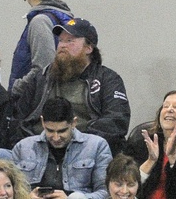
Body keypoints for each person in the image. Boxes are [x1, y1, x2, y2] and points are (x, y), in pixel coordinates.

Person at [12, 17, 130, 153]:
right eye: (61, 40)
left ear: (89, 48)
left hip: (87, 151)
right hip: (41, 150)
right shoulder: (41, 79)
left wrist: (77, 143)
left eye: (70, 41)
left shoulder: (108, 79)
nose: (62, 45)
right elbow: (19, 120)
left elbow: (116, 121)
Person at [11, 97, 111, 199]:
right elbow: (8, 192)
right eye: (50, 131)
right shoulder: (23, 147)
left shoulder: (97, 146)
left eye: (62, 131)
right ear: (42, 122)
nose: (56, 137)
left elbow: (107, 193)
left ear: (74, 123)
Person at [8, 0, 73, 94]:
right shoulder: (63, 17)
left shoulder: (40, 21)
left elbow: (44, 68)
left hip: (35, 104)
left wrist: (16, 88)